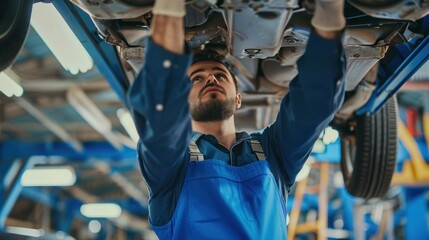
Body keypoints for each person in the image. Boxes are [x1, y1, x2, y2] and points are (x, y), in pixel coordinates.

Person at [127, 0, 346, 239]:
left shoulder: (271, 150)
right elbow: (160, 118)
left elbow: (312, 108)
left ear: (238, 99)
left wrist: (330, 15)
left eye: (220, 75)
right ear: (181, 99)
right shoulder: (172, 166)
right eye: (197, 78)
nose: (211, 79)